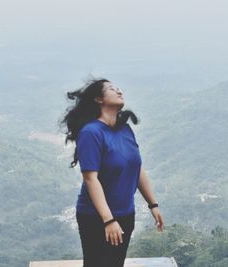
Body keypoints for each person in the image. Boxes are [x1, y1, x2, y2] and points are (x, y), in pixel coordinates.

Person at [59, 77, 164, 267]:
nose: (119, 90)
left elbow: (136, 167)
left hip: (125, 214)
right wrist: (108, 220)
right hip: (96, 217)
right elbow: (91, 179)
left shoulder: (125, 130)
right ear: (99, 99)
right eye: (111, 88)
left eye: (119, 88)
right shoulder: (91, 133)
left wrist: (153, 204)